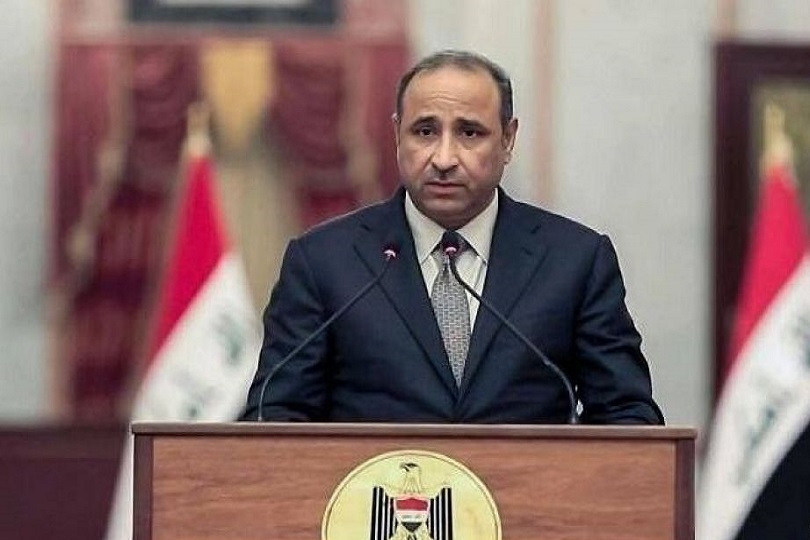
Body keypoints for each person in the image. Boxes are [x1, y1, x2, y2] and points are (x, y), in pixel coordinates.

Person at [240, 50, 663, 424]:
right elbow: (273, 417)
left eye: (469, 133)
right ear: (397, 135)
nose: (443, 159)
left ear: (508, 139)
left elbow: (628, 416)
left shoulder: (575, 261)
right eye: (425, 132)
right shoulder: (323, 262)